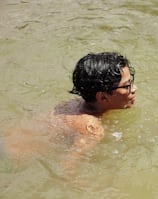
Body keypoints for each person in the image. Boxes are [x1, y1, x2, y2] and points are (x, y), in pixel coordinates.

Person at [2, 52, 137, 171]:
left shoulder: (73, 104)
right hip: (11, 161)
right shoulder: (92, 129)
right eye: (126, 86)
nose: (134, 88)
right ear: (102, 97)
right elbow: (66, 165)